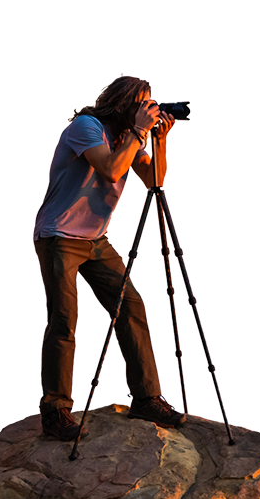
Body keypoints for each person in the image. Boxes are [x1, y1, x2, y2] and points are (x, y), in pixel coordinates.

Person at [32, 75, 186, 441]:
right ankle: (55, 411)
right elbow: (111, 169)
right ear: (123, 103)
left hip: (94, 239)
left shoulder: (129, 137)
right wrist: (137, 133)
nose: (147, 109)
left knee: (130, 305)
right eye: (141, 102)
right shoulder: (86, 127)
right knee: (64, 319)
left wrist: (158, 140)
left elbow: (153, 179)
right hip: (58, 236)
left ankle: (146, 398)